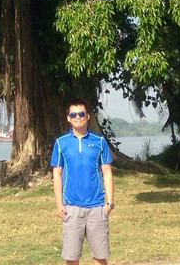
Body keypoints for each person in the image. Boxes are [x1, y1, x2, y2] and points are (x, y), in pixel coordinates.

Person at [50, 98, 114, 265]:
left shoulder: (99, 141)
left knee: (100, 257)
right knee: (71, 258)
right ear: (68, 118)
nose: (77, 117)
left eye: (81, 114)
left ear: (88, 116)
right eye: (73, 114)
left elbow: (107, 172)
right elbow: (57, 174)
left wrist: (109, 204)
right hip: (71, 207)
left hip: (97, 207)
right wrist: (59, 204)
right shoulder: (60, 143)